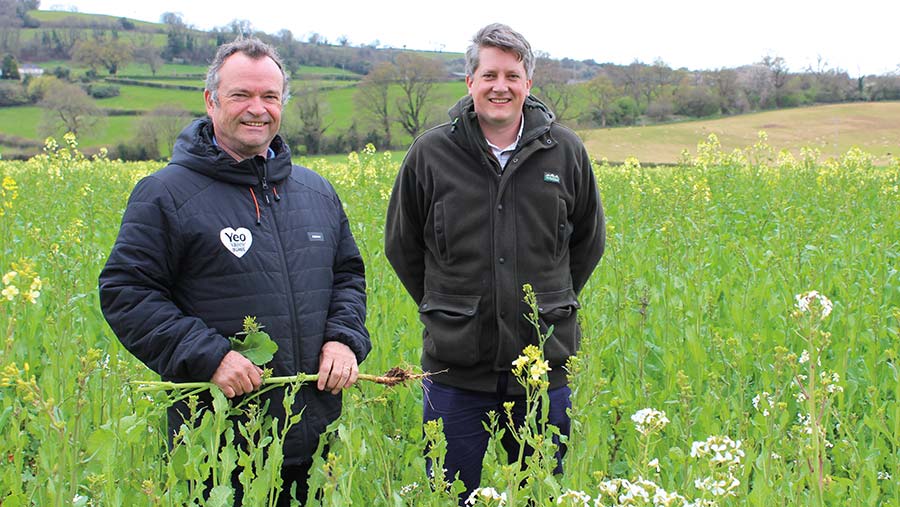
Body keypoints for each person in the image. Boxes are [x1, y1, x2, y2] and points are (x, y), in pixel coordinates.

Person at [98, 37, 370, 506]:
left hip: (315, 436)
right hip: (218, 449)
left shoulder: (316, 191)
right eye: (241, 95)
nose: (257, 109)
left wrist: (344, 338)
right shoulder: (166, 193)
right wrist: (209, 356)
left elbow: (347, 275)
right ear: (211, 101)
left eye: (270, 96)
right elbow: (126, 291)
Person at [384, 23, 605, 502]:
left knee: (538, 495)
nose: (499, 86)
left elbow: (588, 241)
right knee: (450, 494)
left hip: (542, 372)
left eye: (512, 75)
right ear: (470, 82)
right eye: (488, 75)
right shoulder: (430, 153)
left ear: (529, 83)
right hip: (454, 373)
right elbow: (403, 246)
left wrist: (550, 301)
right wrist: (447, 307)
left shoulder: (565, 151)